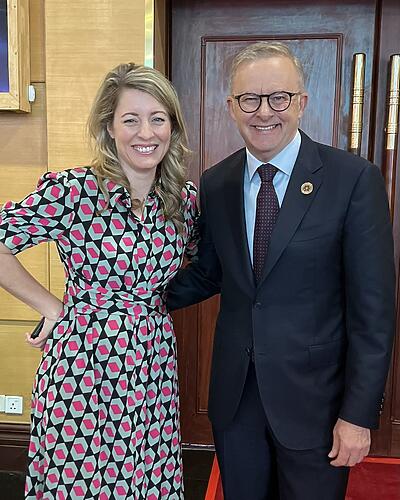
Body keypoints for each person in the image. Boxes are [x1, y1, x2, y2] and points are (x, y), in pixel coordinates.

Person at [167, 42, 396, 500]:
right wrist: (120, 299)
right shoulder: (217, 182)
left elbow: (374, 313)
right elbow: (212, 272)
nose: (264, 112)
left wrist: (358, 415)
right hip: (236, 403)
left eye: (279, 97)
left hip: (318, 406)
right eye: (249, 99)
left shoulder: (353, 179)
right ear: (232, 106)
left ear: (302, 102)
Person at [0, 62, 198, 499]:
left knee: (148, 475)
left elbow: (214, 265)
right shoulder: (73, 192)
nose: (145, 133)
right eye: (130, 120)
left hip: (152, 363)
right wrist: (51, 306)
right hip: (83, 362)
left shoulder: (183, 201)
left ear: (172, 127)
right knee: (81, 480)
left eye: (157, 119)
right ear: (109, 128)